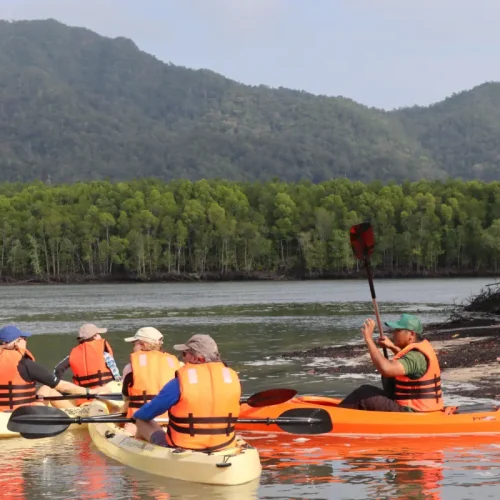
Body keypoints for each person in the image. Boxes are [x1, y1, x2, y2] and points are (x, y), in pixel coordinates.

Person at [133, 334, 241, 452]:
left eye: (185, 354)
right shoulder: (232, 378)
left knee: (140, 420)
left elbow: (145, 414)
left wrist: (136, 414)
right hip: (224, 445)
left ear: (196, 358)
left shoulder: (179, 383)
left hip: (184, 447)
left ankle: (137, 448)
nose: (183, 358)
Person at [338, 314, 444, 412]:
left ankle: (336, 419)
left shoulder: (416, 356)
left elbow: (386, 369)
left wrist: (368, 339)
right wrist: (392, 347)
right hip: (419, 407)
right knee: (367, 389)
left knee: (362, 394)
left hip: (412, 411)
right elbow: (409, 364)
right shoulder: (418, 350)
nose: (393, 334)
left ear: (411, 334)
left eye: (398, 331)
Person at [0, 325, 100, 411]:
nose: (26, 342)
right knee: (49, 387)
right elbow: (61, 386)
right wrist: (90, 392)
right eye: (24, 339)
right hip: (21, 416)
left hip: (2, 414)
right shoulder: (25, 364)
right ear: (17, 342)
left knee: (45, 388)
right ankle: (77, 413)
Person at [121, 327, 181, 435]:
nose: (133, 347)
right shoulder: (178, 365)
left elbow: (125, 397)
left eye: (134, 344)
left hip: (141, 422)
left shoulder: (130, 368)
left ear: (143, 345)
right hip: (171, 422)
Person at [53, 323, 121, 408]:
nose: (100, 336)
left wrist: (61, 390)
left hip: (83, 398)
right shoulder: (105, 354)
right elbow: (116, 377)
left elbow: (58, 369)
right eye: (98, 334)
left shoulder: (72, 355)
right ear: (95, 337)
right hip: (105, 397)